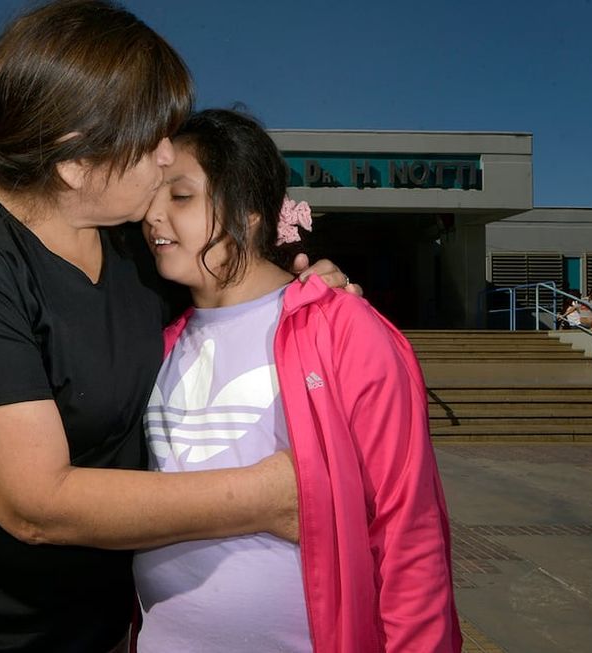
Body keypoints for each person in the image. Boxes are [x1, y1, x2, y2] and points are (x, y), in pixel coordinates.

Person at [0, 3, 355, 652]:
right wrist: (266, 496)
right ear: (74, 161)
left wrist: (303, 288)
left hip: (98, 621)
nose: (167, 154)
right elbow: (38, 502)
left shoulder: (126, 245)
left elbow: (225, 281)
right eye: (151, 139)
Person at [135, 109, 460, 652]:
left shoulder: (343, 330)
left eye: (181, 196)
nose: (153, 216)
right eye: (151, 197)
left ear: (251, 211)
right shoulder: (156, 342)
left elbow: (410, 533)